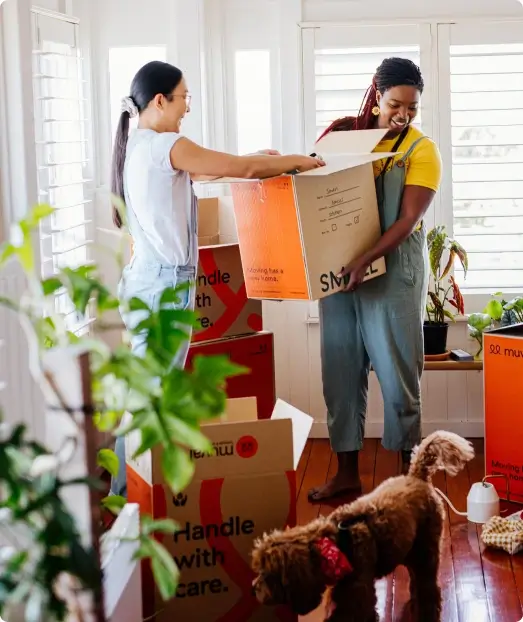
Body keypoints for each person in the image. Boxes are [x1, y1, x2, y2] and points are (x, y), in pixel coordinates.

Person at [110, 60, 324, 497]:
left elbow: (210, 170)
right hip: (164, 285)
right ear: (159, 100)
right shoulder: (165, 143)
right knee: (154, 397)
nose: (187, 105)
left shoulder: (142, 145)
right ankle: (127, 496)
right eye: (184, 96)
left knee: (147, 393)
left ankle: (126, 492)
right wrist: (297, 163)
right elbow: (236, 170)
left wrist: (262, 159)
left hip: (148, 280)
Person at [308, 57, 442, 502]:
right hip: (341, 276)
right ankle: (347, 474)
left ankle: (409, 485)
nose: (403, 115)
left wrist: (367, 258)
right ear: (375, 93)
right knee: (340, 373)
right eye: (394, 104)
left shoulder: (421, 150)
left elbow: (407, 220)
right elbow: (313, 191)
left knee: (399, 375)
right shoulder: (344, 137)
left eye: (412, 107)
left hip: (392, 274)